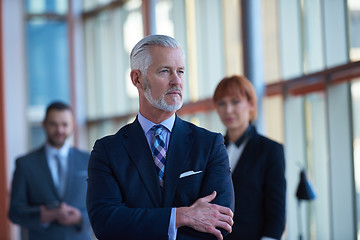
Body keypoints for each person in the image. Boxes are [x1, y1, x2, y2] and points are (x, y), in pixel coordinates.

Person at [86, 34, 235, 240]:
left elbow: (220, 224)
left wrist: (141, 222)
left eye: (180, 71)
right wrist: (180, 216)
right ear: (137, 79)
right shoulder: (108, 151)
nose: (176, 81)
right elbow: (106, 223)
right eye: (164, 71)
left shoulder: (209, 144)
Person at [213, 75, 286, 240]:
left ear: (251, 104)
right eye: (222, 103)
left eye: (235, 102)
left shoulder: (270, 150)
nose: (228, 110)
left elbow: (276, 213)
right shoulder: (212, 148)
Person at [8, 102, 93, 240]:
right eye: (53, 124)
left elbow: (102, 205)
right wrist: (45, 215)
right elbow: (15, 212)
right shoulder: (25, 164)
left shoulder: (88, 160)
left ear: (72, 126)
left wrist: (80, 217)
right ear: (44, 124)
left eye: (65, 125)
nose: (59, 130)